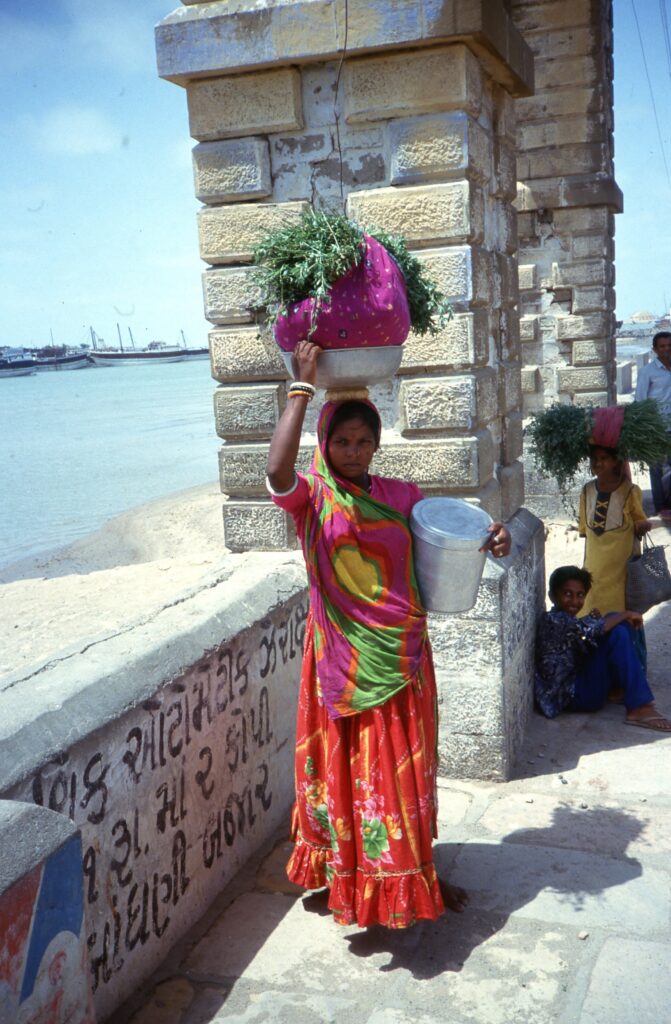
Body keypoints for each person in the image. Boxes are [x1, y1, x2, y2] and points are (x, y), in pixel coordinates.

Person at [266, 338, 511, 929]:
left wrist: (492, 538)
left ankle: (413, 874)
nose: (353, 451)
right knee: (348, 772)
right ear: (325, 443)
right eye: (342, 441)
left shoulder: (403, 496)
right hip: (342, 661)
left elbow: (445, 545)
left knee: (407, 770)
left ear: (378, 443)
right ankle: (348, 877)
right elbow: (275, 471)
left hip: (402, 657)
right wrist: (302, 384)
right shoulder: (313, 498)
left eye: (364, 441)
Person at [535, 565, 671, 731]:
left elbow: (584, 632)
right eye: (567, 594)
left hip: (580, 685)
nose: (574, 601)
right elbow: (593, 630)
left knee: (614, 619)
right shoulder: (553, 620)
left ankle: (622, 689)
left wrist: (611, 619)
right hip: (573, 696)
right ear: (553, 596)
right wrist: (627, 614)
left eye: (580, 595)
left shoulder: (567, 620)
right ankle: (639, 707)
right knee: (617, 630)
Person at [578, 444, 651, 618]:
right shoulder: (586, 491)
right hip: (594, 565)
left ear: (615, 461)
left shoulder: (630, 491)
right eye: (594, 459)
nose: (598, 463)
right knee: (591, 604)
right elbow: (585, 532)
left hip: (621, 568)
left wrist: (643, 526)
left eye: (604, 458)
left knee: (619, 609)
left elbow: (639, 522)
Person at [634, 330, 671, 516]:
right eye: (662, 346)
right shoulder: (647, 372)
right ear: (655, 349)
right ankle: (660, 506)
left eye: (669, 346)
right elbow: (640, 401)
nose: (666, 349)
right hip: (656, 428)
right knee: (656, 469)